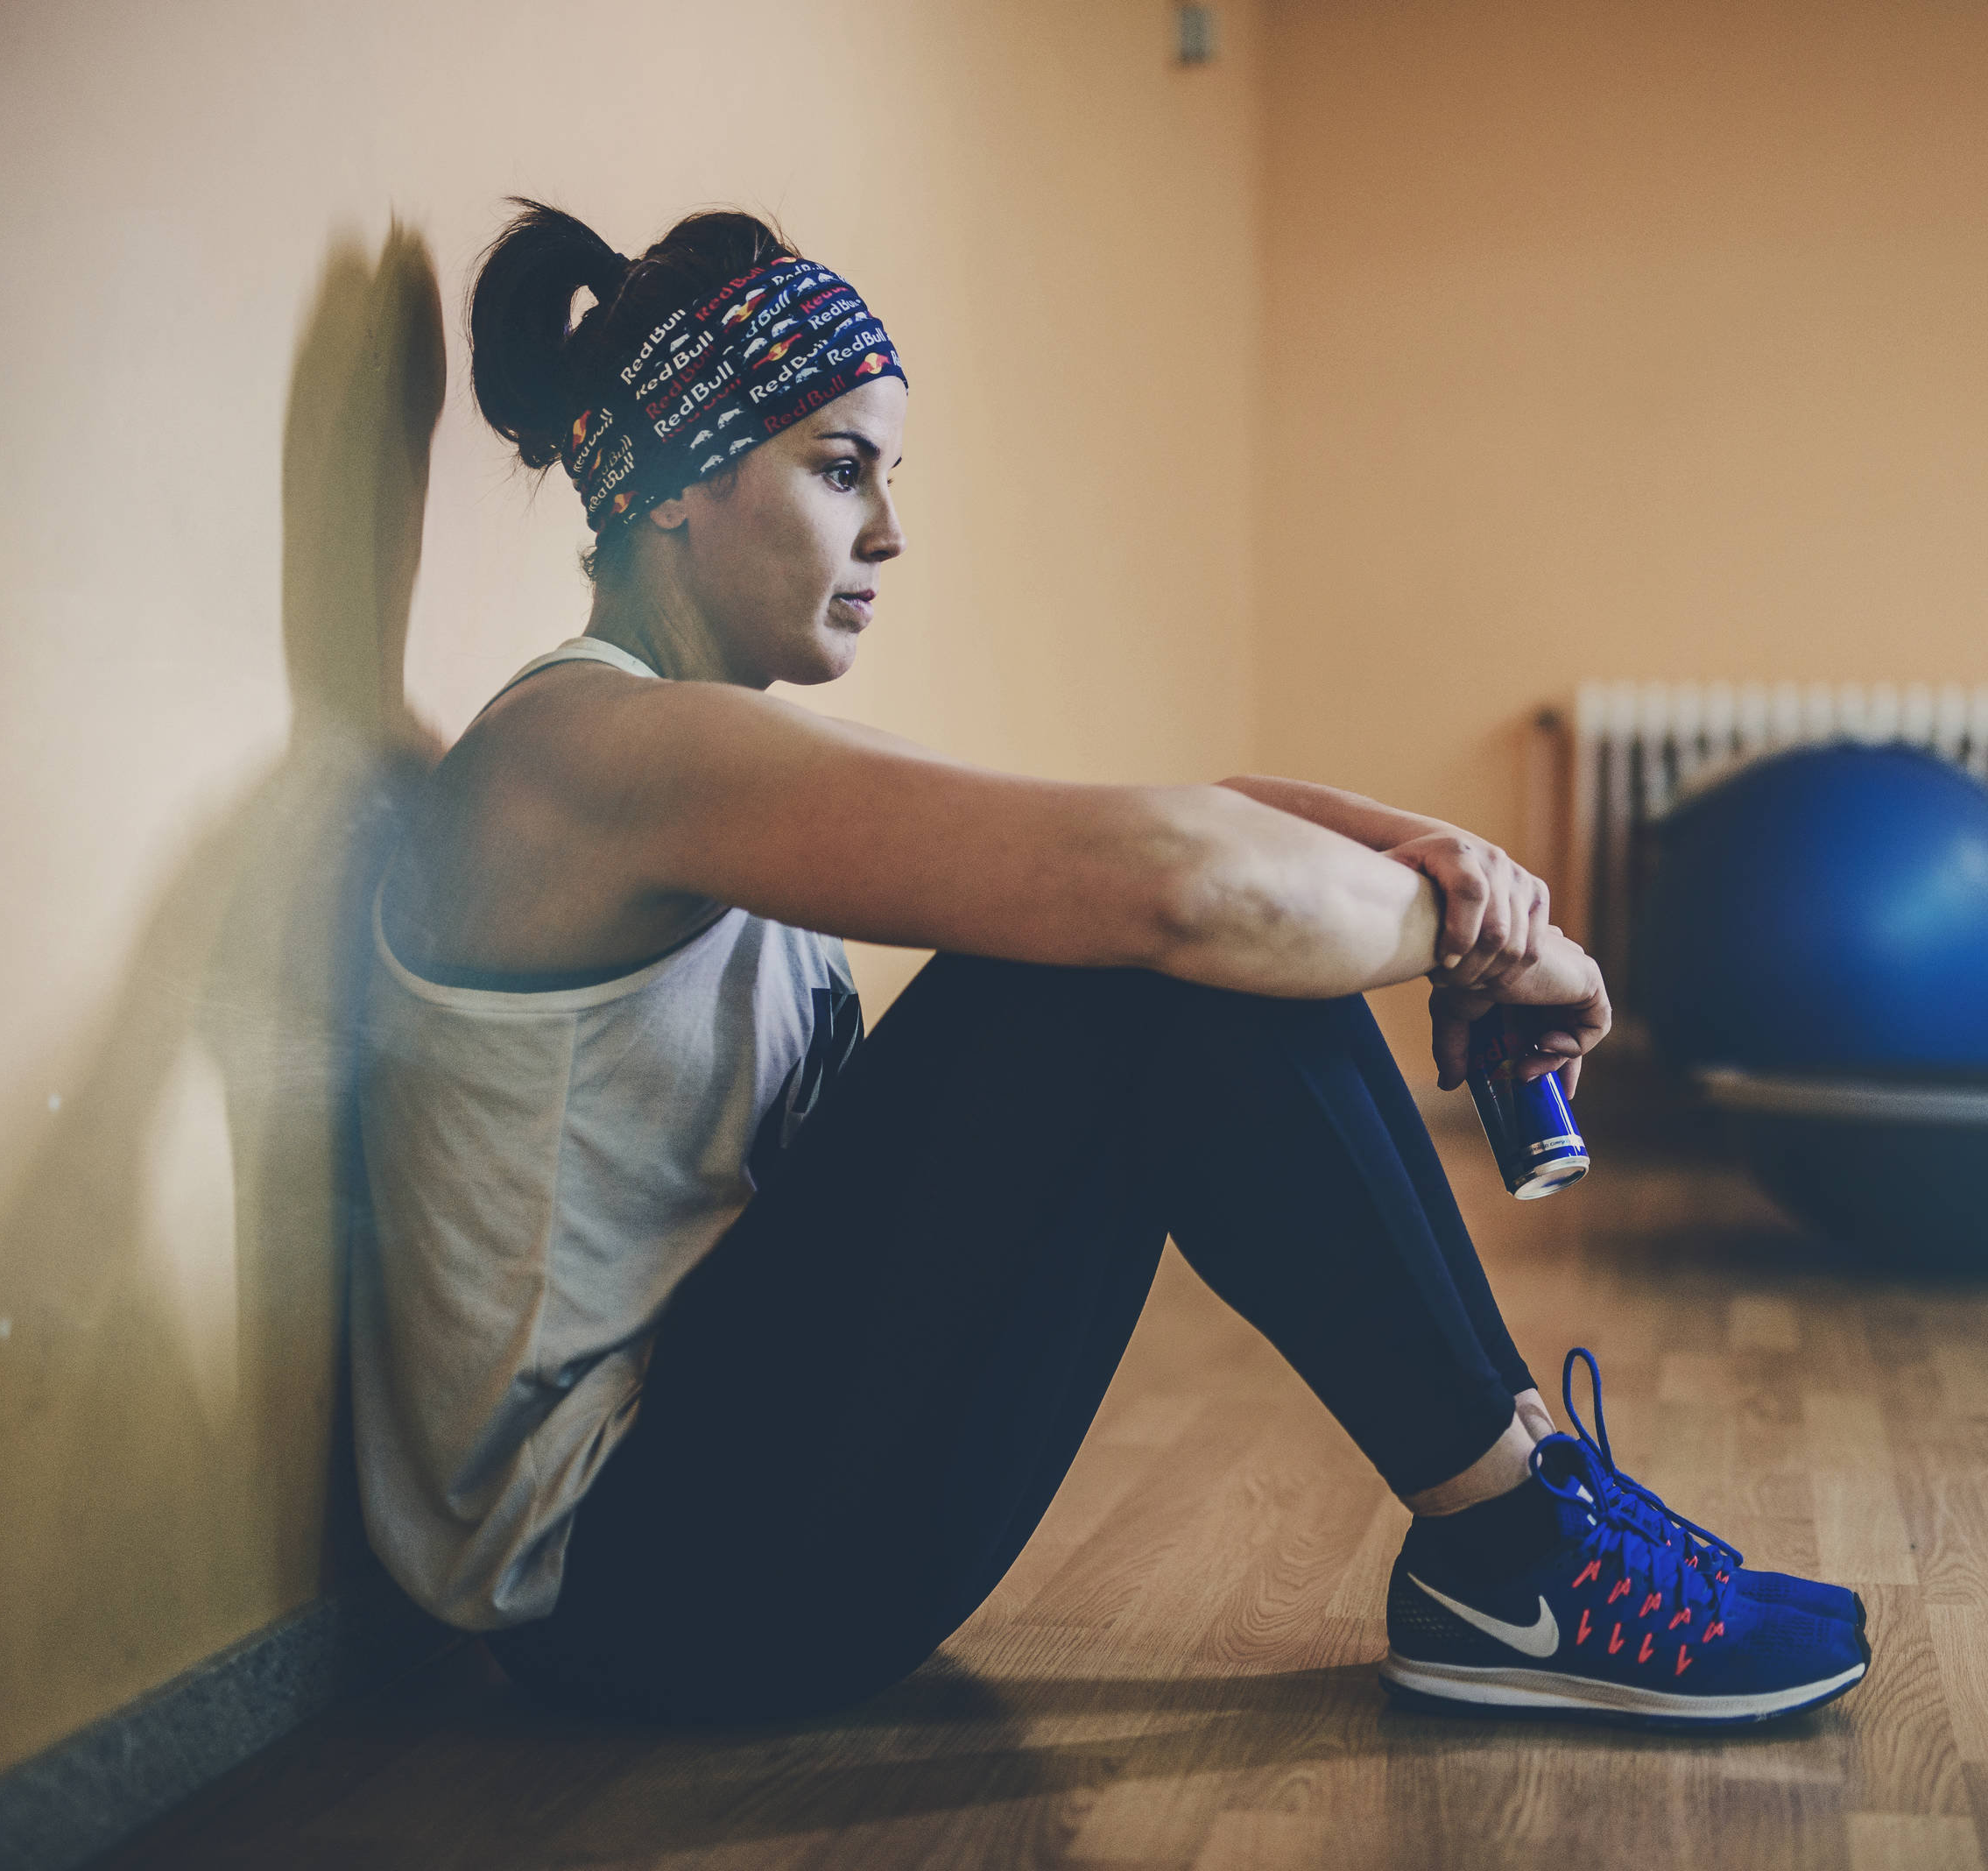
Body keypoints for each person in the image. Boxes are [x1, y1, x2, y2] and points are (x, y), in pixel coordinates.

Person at [351, 200, 1870, 1729]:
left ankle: (1532, 1515)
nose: (889, 533)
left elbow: (1151, 839)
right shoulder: (591, 751)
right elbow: (1174, 890)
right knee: (1143, 954)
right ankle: (1521, 1546)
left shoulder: (709, 758)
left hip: (757, 1530)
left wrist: (1446, 865)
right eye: (838, 470)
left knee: (1132, 935)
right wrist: (1465, 945)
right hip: (632, 1590)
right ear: (678, 487)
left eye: (891, 478)